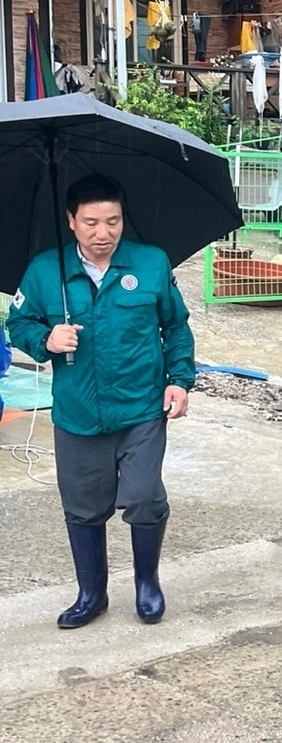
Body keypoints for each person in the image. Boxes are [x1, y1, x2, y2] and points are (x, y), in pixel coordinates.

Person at [7, 174, 194, 628]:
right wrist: (45, 339)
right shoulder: (44, 271)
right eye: (90, 222)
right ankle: (92, 594)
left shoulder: (150, 264)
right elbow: (20, 324)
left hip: (141, 408)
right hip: (77, 413)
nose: (102, 233)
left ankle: (147, 584)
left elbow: (176, 326)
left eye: (112, 221)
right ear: (71, 221)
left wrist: (179, 380)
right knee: (83, 507)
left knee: (145, 498)